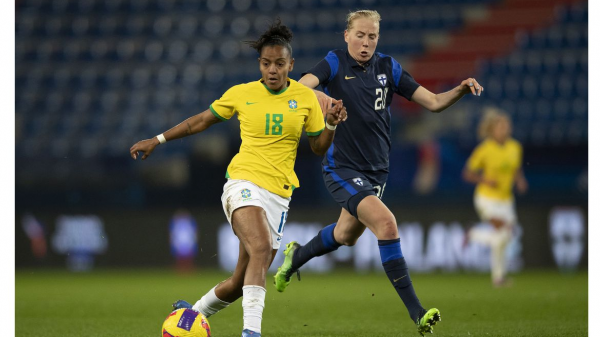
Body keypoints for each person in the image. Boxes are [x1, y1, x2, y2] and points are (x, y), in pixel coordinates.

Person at [129, 20, 347, 337]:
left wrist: (330, 125)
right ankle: (251, 333)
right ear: (259, 63)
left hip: (279, 196)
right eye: (266, 63)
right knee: (260, 248)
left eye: (279, 63)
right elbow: (200, 122)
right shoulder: (242, 94)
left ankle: (187, 315)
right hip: (242, 183)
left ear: (291, 64)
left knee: (239, 283)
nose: (272, 70)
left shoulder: (305, 98)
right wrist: (157, 140)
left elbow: (317, 148)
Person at [272, 10, 484, 336]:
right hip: (342, 167)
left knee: (345, 235)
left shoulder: (389, 67)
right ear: (347, 35)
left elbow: (433, 101)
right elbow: (300, 88)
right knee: (386, 224)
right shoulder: (335, 61)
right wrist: (327, 101)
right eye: (360, 35)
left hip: (376, 173)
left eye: (372, 36)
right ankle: (418, 313)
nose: (366, 42)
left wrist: (459, 90)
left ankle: (296, 256)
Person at [462, 107, 527, 287]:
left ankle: (474, 235)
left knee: (503, 237)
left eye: (507, 126)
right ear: (492, 130)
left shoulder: (515, 147)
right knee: (503, 229)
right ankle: (498, 277)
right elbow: (467, 173)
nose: (505, 129)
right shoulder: (485, 149)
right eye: (501, 126)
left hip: (506, 200)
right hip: (486, 198)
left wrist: (520, 181)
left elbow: (516, 169)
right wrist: (484, 180)